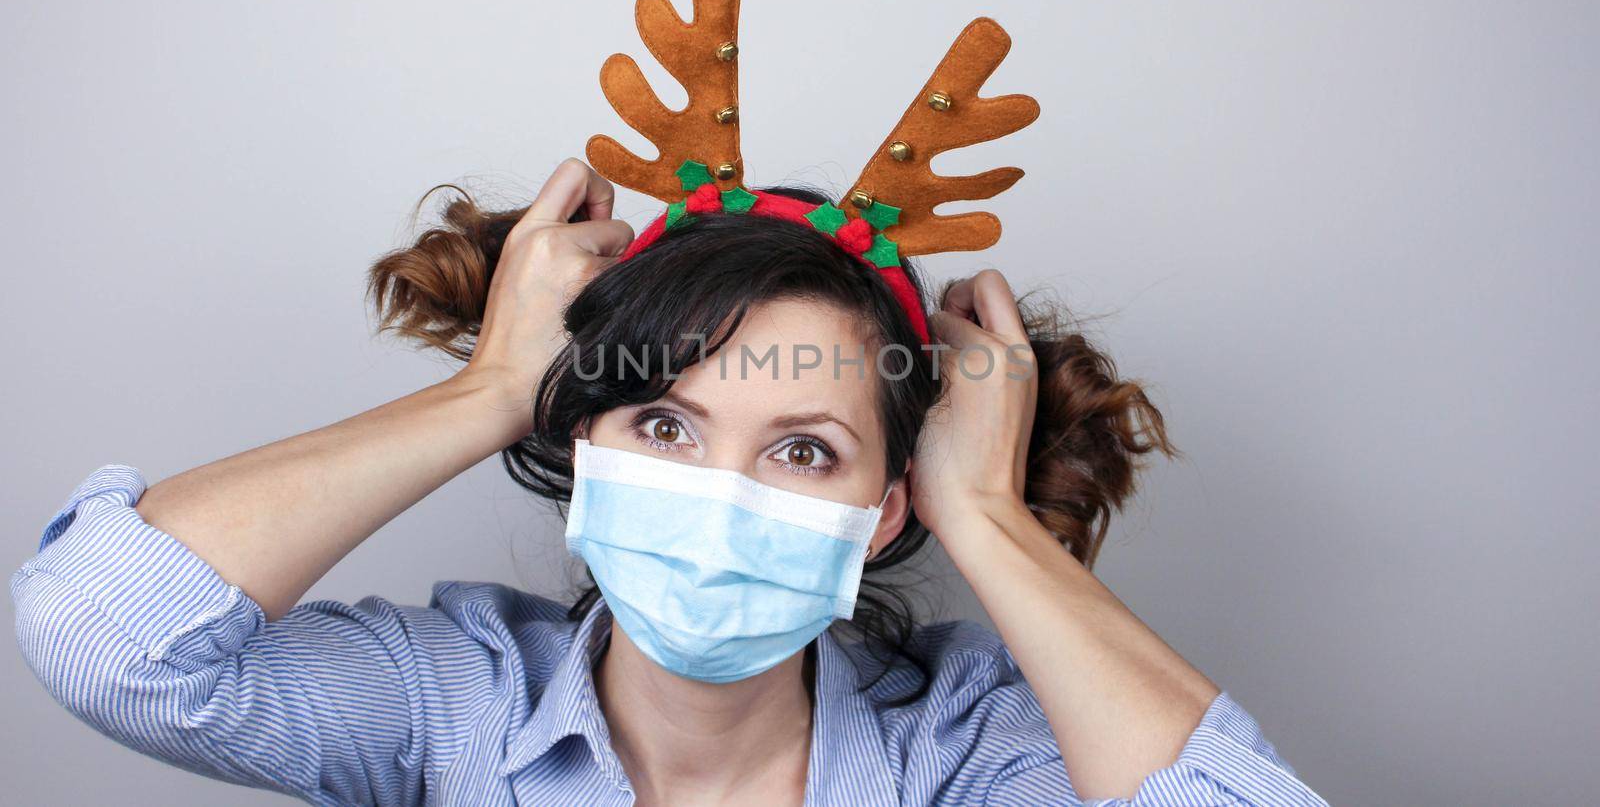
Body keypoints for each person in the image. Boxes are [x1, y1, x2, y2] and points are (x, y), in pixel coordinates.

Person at [12, 158, 1328, 806]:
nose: (722, 491)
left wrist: (983, 514)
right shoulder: (457, 705)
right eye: (664, 425)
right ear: (582, 446)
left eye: (802, 449)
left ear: (884, 513)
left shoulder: (963, 754)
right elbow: (98, 631)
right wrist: (487, 392)